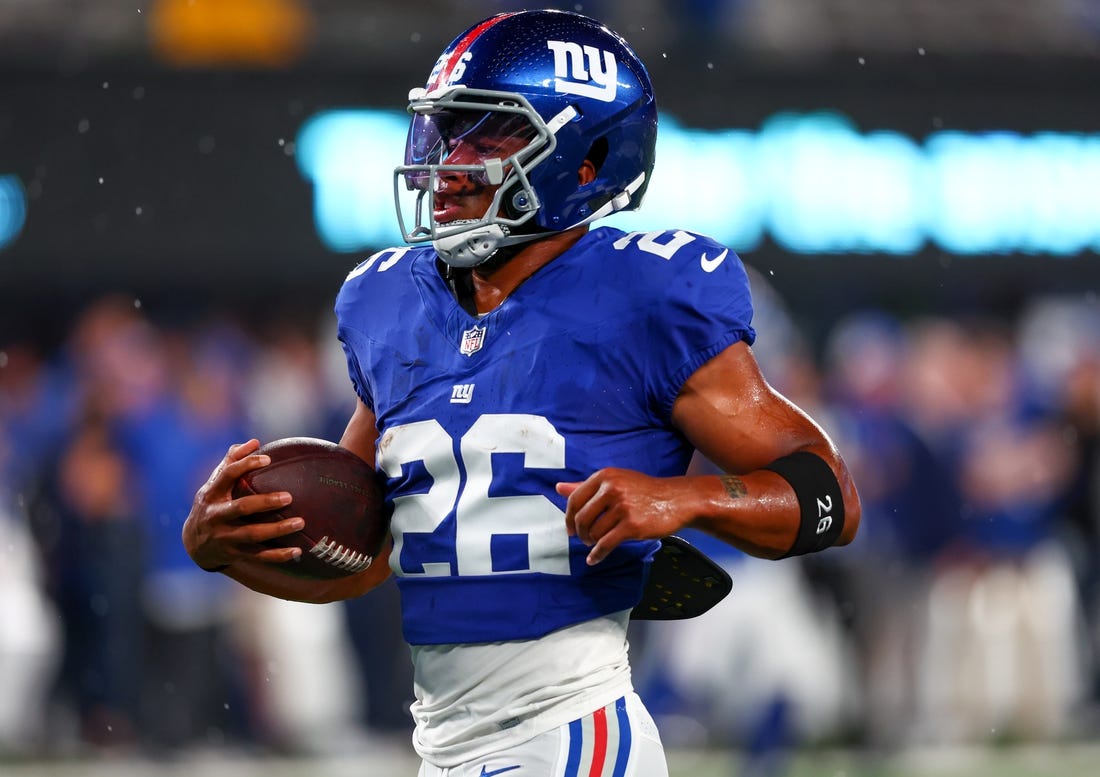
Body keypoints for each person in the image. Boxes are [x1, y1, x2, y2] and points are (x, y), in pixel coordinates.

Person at [182, 9, 861, 776]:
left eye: (488, 135)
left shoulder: (644, 295)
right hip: (443, 747)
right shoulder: (389, 305)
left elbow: (829, 493)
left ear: (583, 160)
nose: (449, 162)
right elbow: (366, 554)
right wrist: (222, 547)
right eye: (445, 133)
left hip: (570, 733)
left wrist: (691, 500)